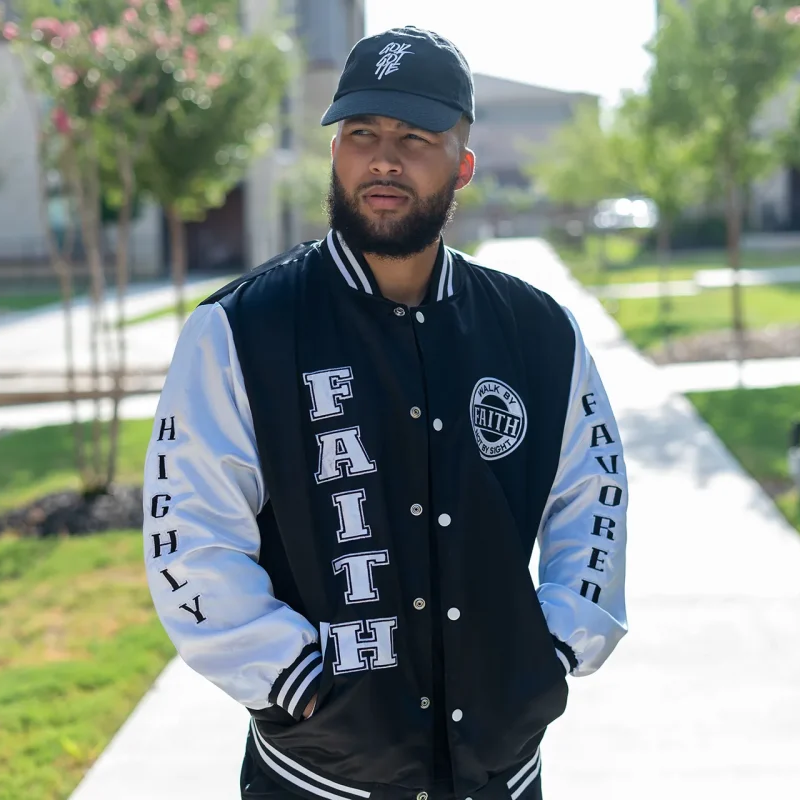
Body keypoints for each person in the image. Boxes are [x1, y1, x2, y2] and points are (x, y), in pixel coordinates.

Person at [143, 25, 628, 800]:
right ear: (334, 150)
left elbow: (593, 498)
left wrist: (554, 649)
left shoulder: (537, 333)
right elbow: (189, 534)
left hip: (499, 776)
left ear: (462, 165)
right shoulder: (241, 329)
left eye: (415, 136)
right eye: (361, 133)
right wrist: (295, 684)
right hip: (320, 777)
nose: (384, 158)